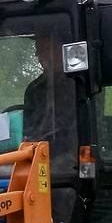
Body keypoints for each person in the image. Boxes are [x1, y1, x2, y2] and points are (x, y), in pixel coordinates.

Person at [21, 29, 79, 176]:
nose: (38, 55)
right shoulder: (34, 89)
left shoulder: (79, 83)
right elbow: (29, 127)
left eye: (44, 49)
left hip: (71, 155)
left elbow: (75, 129)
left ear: (62, 49)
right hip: (39, 153)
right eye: (38, 50)